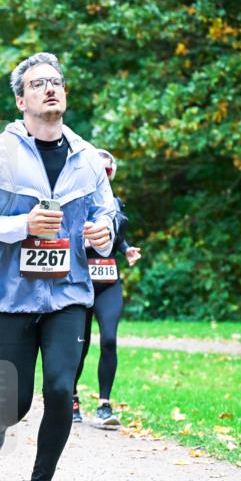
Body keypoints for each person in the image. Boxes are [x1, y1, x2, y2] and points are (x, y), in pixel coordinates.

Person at [0, 52, 116, 481]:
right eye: (38, 83)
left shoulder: (87, 157)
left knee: (63, 389)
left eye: (56, 82)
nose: (50, 88)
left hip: (69, 293)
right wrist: (20, 223)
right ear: (21, 98)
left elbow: (106, 212)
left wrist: (103, 231)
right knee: (16, 401)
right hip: (12, 297)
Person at [72, 150, 142, 428]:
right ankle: (72, 399)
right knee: (80, 344)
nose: (104, 175)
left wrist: (126, 250)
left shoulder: (115, 204)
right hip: (80, 282)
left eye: (108, 171)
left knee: (110, 339)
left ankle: (104, 404)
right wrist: (81, 244)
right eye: (98, 171)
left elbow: (118, 235)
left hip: (108, 281)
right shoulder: (77, 201)